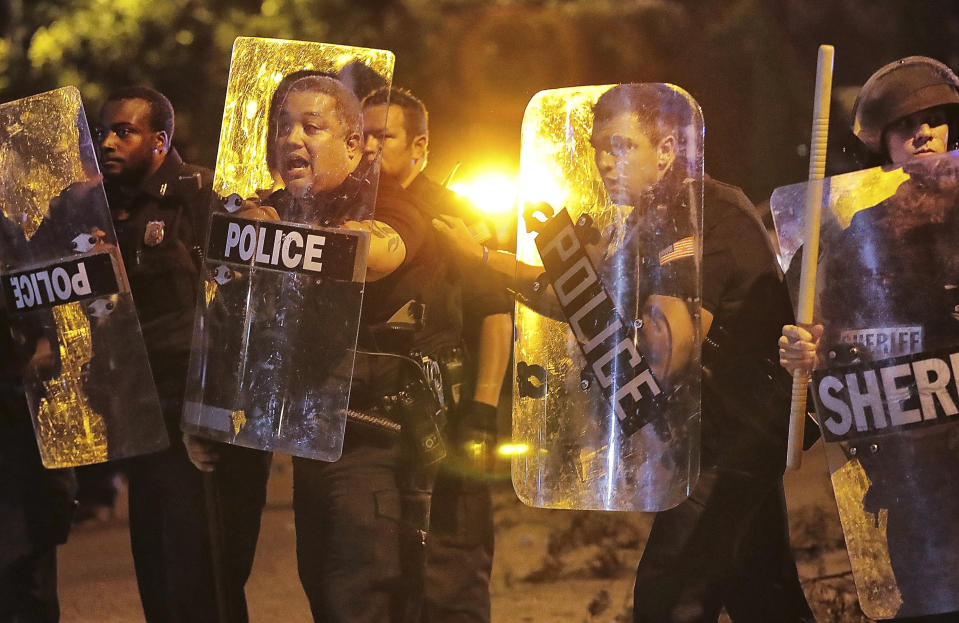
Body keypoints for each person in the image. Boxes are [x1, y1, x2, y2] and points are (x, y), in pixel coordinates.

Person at [435, 83, 813, 622]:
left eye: (622, 147)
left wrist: (622, 386)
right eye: (597, 147)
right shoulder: (652, 214)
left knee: (670, 594)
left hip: (732, 441)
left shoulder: (697, 210)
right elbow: (591, 298)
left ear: (664, 150)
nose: (605, 163)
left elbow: (667, 348)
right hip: (718, 440)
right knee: (763, 595)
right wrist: (485, 260)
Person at [185, 72, 463, 623]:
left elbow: (378, 252)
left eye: (312, 127)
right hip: (316, 439)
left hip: (376, 442)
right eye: (283, 127)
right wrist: (207, 414)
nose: (292, 140)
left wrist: (279, 239)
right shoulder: (272, 211)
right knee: (327, 588)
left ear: (355, 143)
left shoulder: (389, 199)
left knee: (356, 595)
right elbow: (231, 322)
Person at [780, 56, 959, 622]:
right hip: (914, 443)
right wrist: (807, 349)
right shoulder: (865, 230)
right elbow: (839, 327)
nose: (922, 131)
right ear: (881, 141)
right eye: (905, 123)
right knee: (930, 595)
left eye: (934, 118)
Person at [362, 87, 512, 623]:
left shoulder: (453, 213)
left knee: (454, 572)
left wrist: (484, 408)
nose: (371, 149)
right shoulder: (348, 214)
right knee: (383, 579)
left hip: (449, 413)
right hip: (372, 419)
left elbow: (494, 311)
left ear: (419, 144)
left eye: (385, 137)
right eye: (365, 137)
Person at [92, 86, 239, 623]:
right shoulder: (103, 208)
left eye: (123, 131)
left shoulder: (199, 194)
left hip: (193, 405)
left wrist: (214, 407)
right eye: (103, 130)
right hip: (140, 406)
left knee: (199, 578)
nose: (107, 141)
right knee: (157, 570)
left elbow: (234, 305)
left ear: (159, 140)